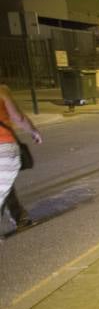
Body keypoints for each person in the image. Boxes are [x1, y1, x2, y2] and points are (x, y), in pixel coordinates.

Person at [1, 85, 42, 231]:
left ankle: (20, 217)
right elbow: (18, 117)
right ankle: (20, 218)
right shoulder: (2, 91)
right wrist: (34, 131)